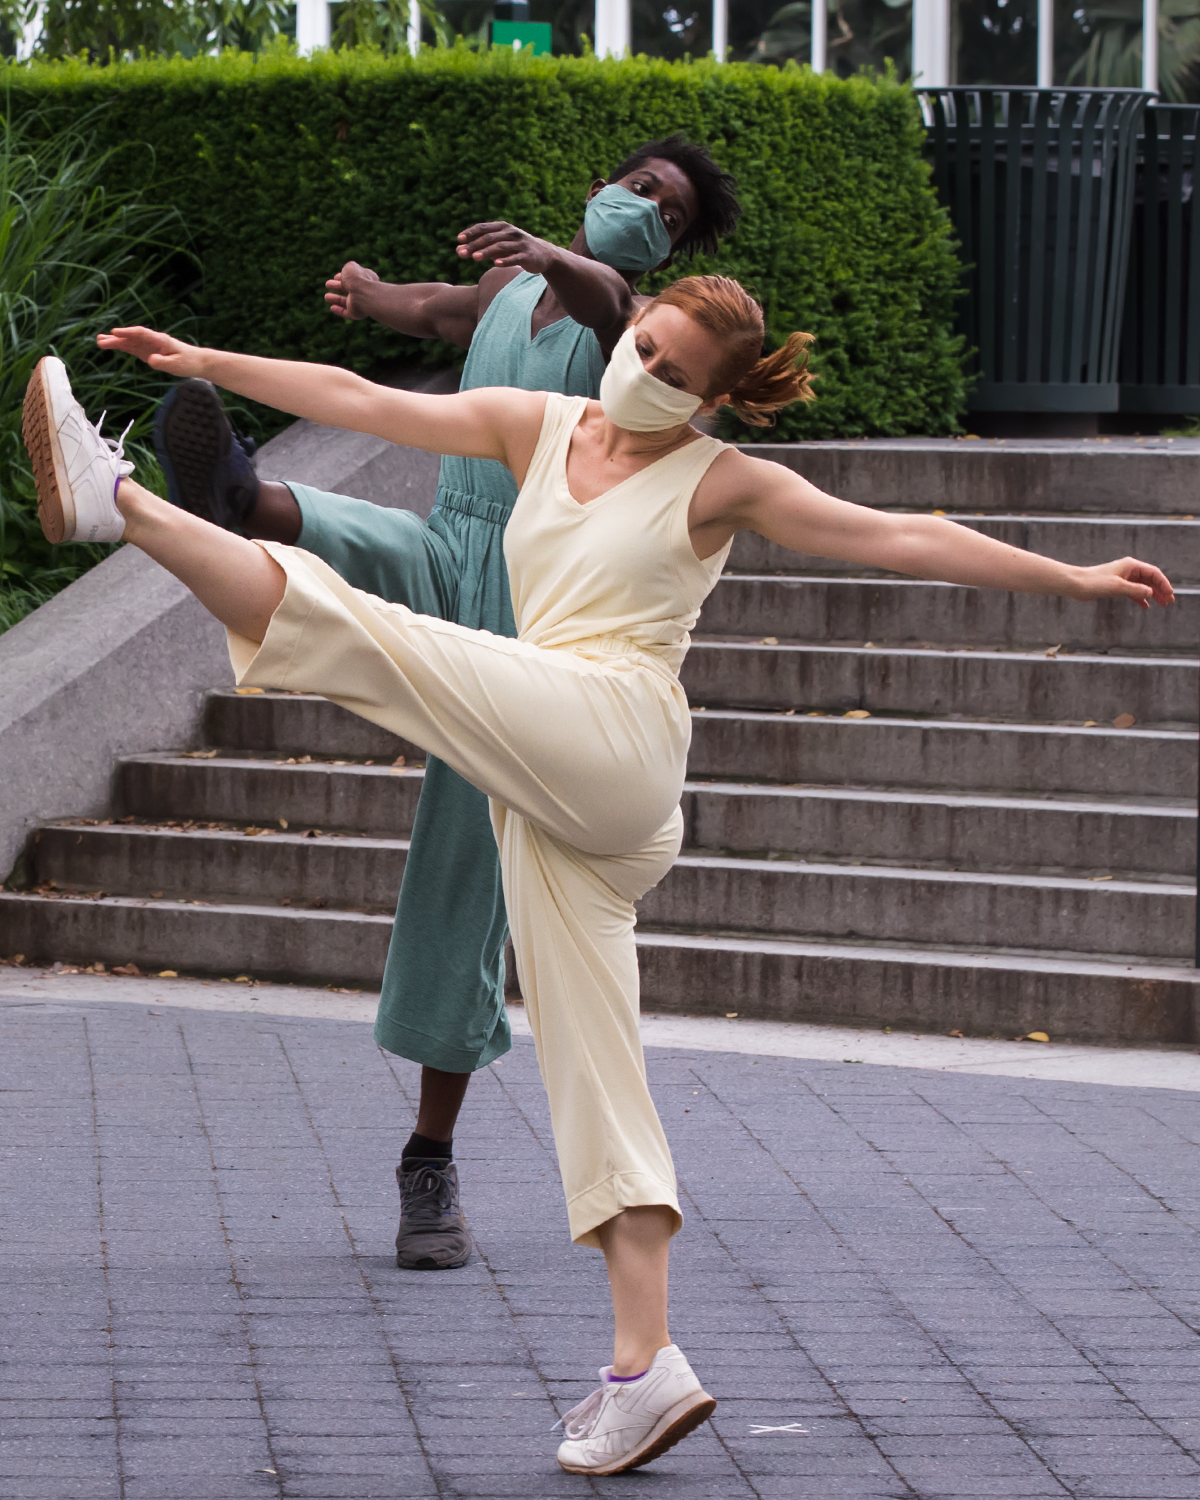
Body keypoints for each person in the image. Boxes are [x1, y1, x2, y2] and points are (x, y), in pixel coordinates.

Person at [23, 275, 1172, 1474]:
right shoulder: (540, 425)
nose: (650, 373)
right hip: (550, 780)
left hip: (616, 735)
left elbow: (903, 536)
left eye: (680, 374)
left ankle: (121, 506)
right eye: (646, 345)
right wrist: (207, 355)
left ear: (719, 397)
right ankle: (644, 1367)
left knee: (385, 638)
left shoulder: (723, 480)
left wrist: (1074, 578)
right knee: (597, 1071)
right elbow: (360, 397)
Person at [150, 137, 743, 1272]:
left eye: (659, 205)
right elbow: (435, 313)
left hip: (538, 609)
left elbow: (604, 292)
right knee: (363, 539)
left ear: (668, 242)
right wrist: (368, 293)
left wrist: (558, 254)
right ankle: (240, 492)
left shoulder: (644, 327)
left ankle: (430, 1157)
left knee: (462, 866)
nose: (635, 203)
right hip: (449, 547)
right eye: (632, 181)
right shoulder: (510, 287)